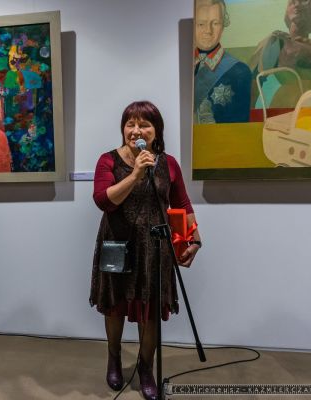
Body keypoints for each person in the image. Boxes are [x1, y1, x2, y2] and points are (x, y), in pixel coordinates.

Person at [90, 101, 201, 400]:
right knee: (114, 306)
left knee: (150, 308)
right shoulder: (108, 160)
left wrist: (194, 238)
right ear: (123, 129)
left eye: (144, 125)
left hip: (154, 247)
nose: (136, 130)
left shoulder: (168, 163)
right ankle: (114, 358)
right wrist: (135, 174)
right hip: (117, 244)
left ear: (156, 131)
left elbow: (182, 203)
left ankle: (146, 367)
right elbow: (103, 200)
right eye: (130, 124)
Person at [249, 0, 311, 109]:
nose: (297, 4)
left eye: (304, 1)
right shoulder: (276, 41)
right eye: (293, 2)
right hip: (287, 104)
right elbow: (253, 82)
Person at [194, 0, 252, 124]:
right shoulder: (179, 66)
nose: (208, 30)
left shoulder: (240, 72)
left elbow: (239, 128)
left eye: (215, 23)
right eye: (201, 24)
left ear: (224, 24)